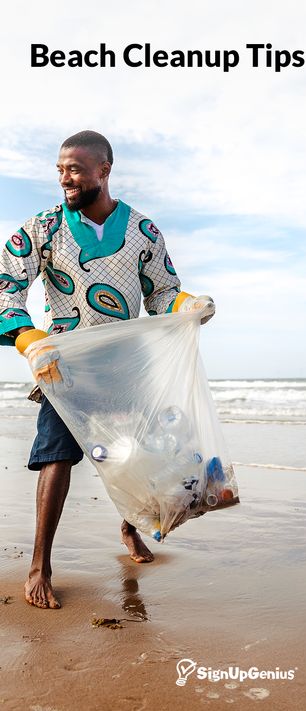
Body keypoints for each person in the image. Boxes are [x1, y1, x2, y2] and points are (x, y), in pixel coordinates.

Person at [0, 130, 215, 609]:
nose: (64, 179)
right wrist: (28, 338)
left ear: (104, 170)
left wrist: (188, 303)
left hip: (127, 367)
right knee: (56, 459)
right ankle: (40, 565)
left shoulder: (142, 230)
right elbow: (5, 286)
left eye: (74, 169)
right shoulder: (43, 227)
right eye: (60, 169)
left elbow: (161, 292)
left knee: (133, 455)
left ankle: (128, 527)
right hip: (63, 366)